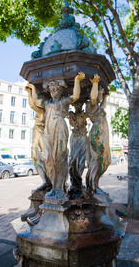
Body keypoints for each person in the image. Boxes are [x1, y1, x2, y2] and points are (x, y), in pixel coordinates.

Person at [27, 72, 85, 201]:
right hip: (49, 132)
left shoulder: (63, 102)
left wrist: (77, 80)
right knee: (49, 159)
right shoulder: (47, 104)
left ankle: (59, 188)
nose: (53, 92)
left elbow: (75, 96)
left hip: (59, 130)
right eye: (51, 90)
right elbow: (34, 101)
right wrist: (31, 90)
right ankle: (54, 186)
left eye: (56, 89)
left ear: (60, 91)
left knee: (59, 158)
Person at [85, 74, 111, 195]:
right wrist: (95, 84)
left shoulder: (99, 108)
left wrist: (105, 96)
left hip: (102, 134)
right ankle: (93, 186)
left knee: (103, 159)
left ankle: (94, 184)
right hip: (97, 134)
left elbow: (103, 105)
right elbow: (94, 98)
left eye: (101, 93)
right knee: (96, 159)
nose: (100, 95)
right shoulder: (91, 104)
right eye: (99, 93)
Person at [25, 84, 52, 191]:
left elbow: (32, 104)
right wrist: (30, 92)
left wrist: (31, 90)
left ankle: (49, 181)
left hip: (42, 137)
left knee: (45, 159)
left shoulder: (44, 110)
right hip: (37, 136)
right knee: (37, 159)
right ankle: (46, 181)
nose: (40, 100)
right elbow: (33, 103)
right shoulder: (41, 111)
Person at [68, 102, 89, 196]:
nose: (78, 106)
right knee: (73, 159)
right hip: (75, 137)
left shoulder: (84, 114)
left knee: (81, 160)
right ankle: (74, 182)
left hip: (83, 137)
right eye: (76, 104)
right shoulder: (71, 114)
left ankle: (78, 181)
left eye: (79, 104)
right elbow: (72, 123)